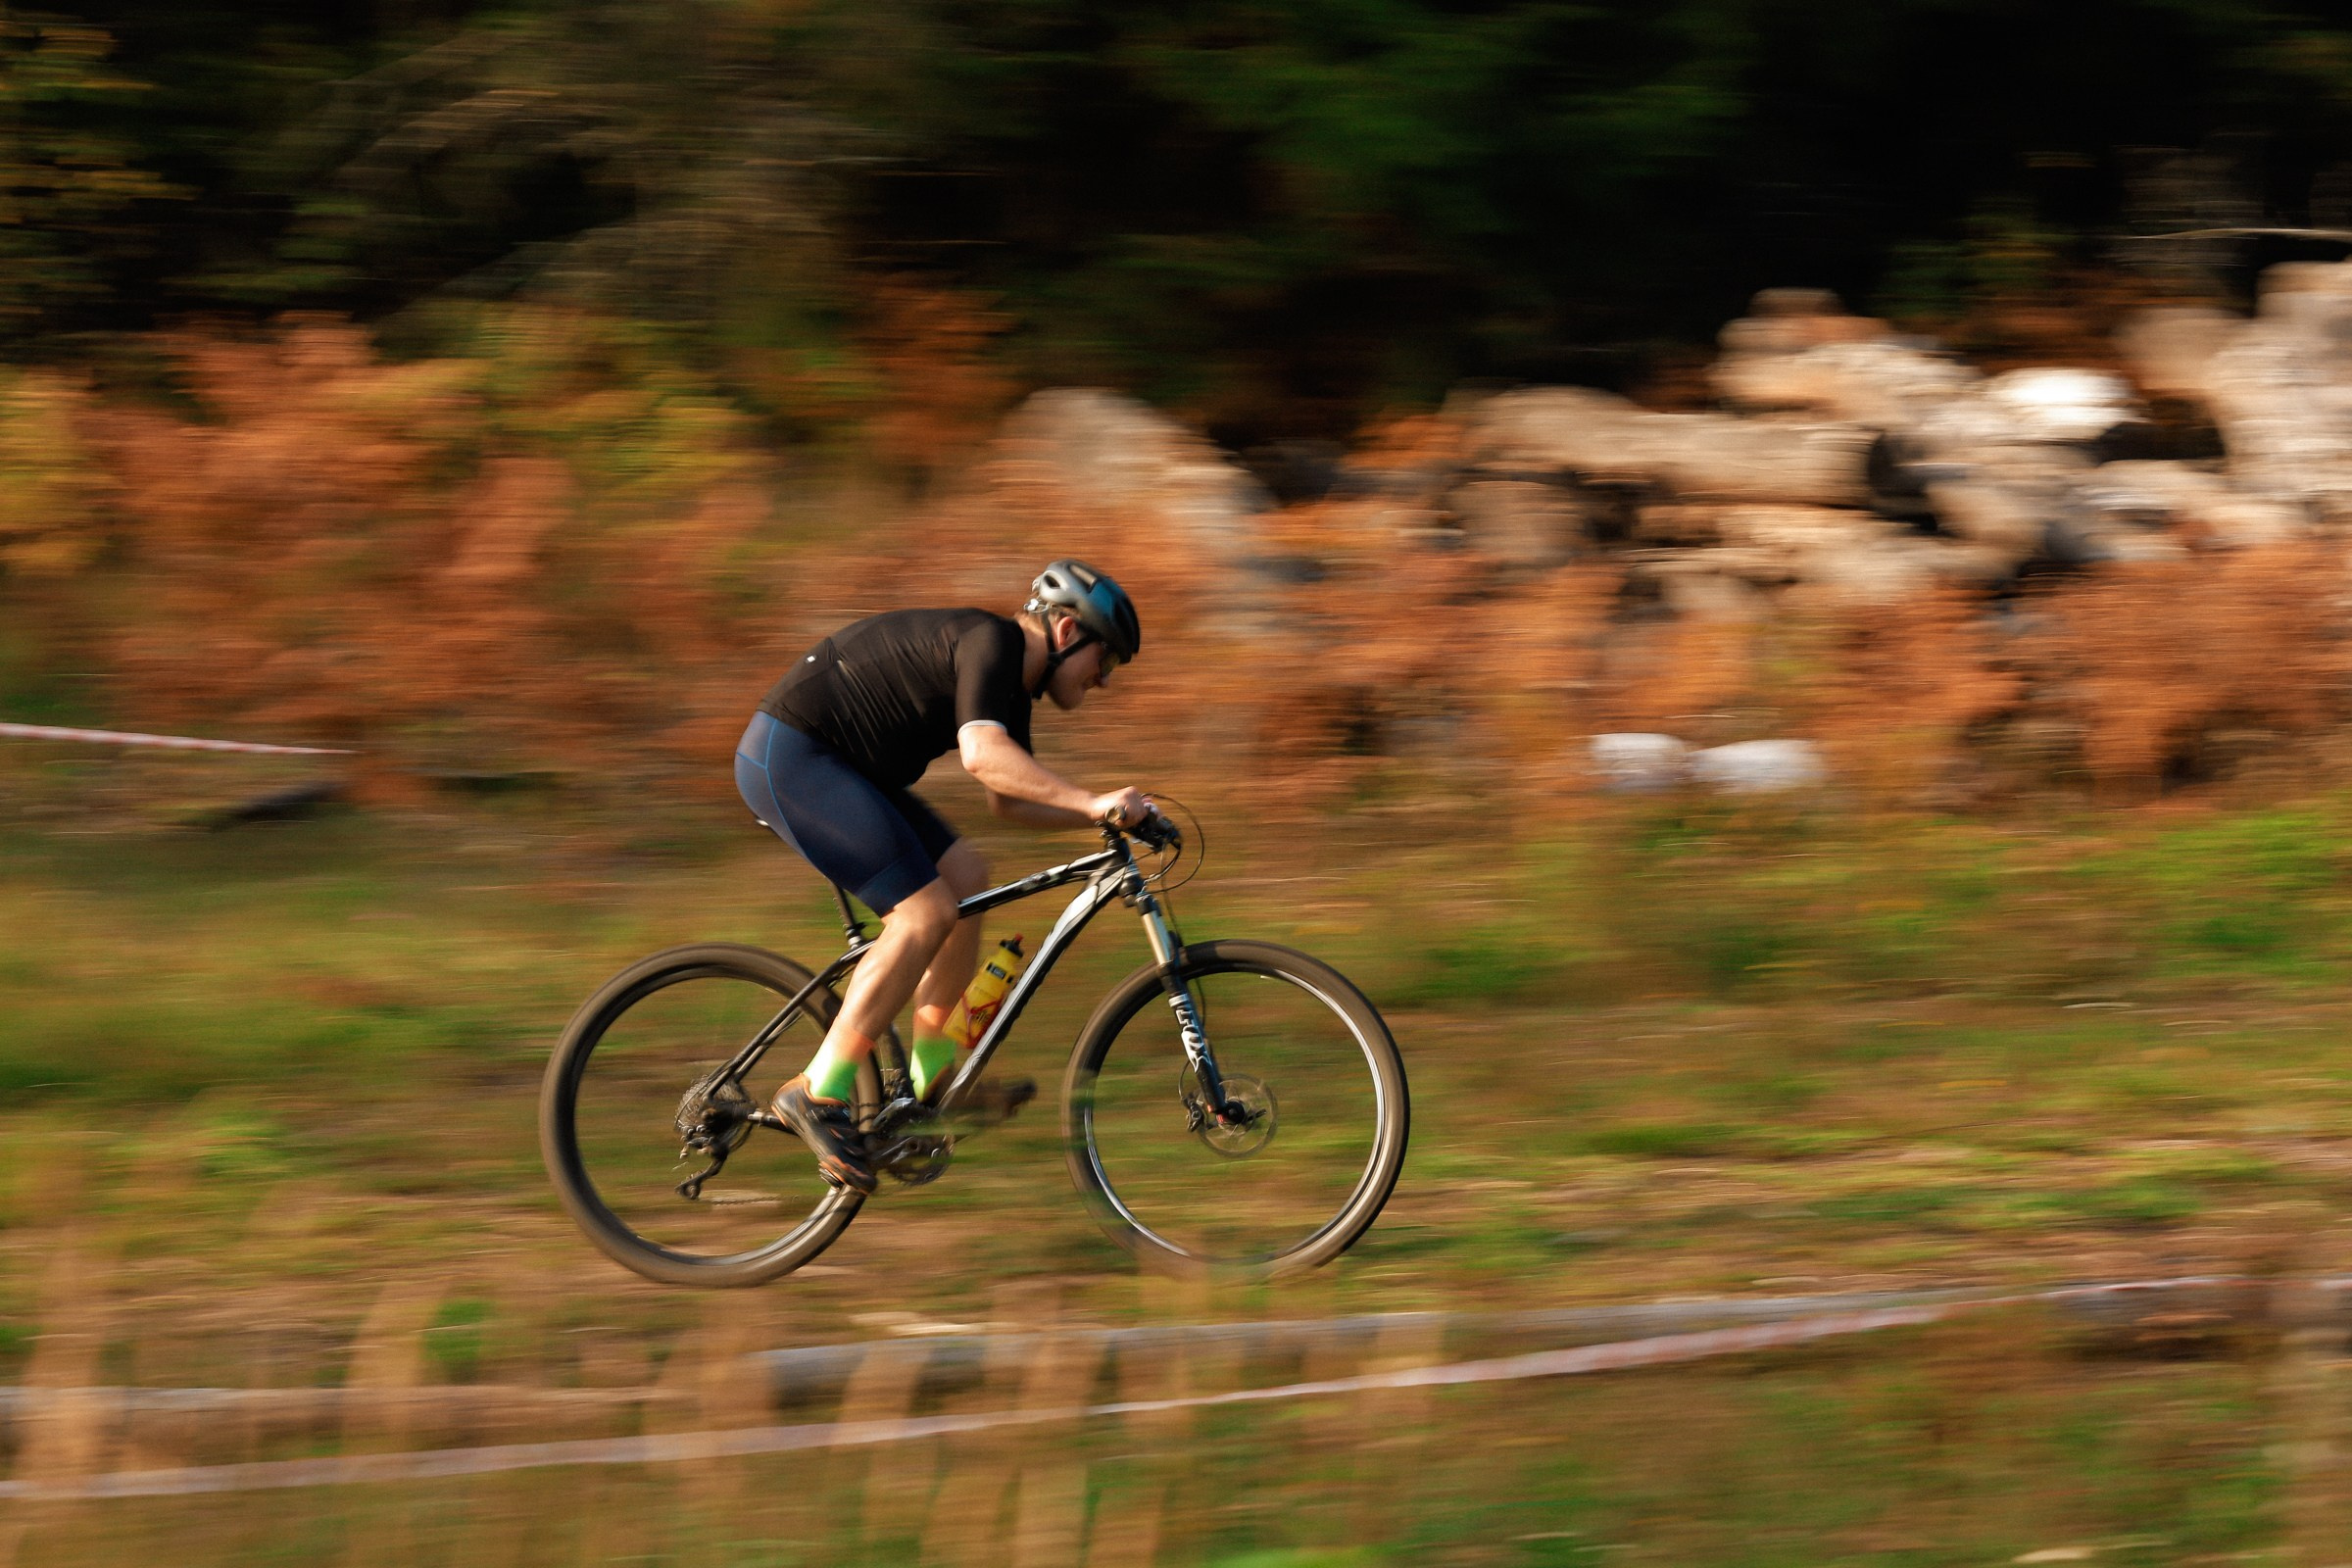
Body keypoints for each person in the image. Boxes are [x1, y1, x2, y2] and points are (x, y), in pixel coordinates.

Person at [733, 561, 1152, 1194]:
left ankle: (932, 1080)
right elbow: (983, 756)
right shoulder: (992, 642)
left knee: (966, 876)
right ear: (1067, 632)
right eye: (1107, 659)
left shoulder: (1015, 685)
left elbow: (1008, 801)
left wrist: (1103, 816)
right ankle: (816, 1091)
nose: (1106, 679)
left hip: (847, 770)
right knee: (924, 914)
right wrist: (1094, 802)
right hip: (795, 756)